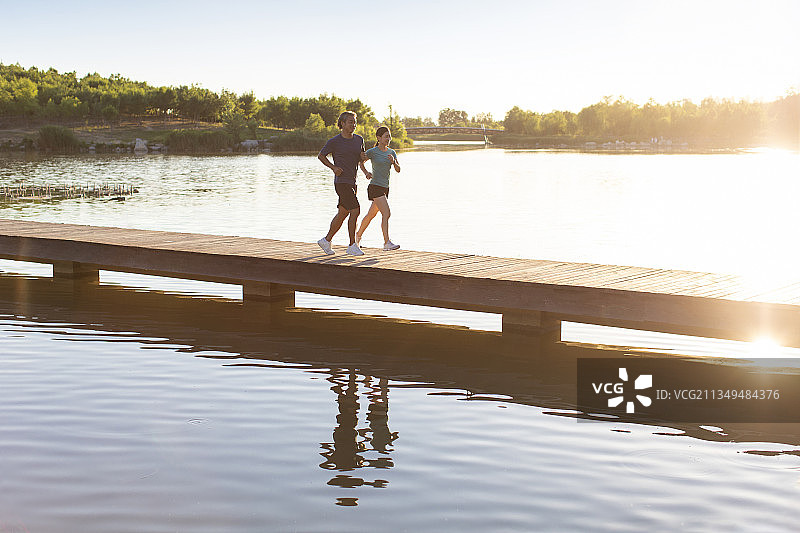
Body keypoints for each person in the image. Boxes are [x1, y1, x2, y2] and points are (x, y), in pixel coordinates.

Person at [317, 111, 368, 256]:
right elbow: (321, 156)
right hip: (341, 182)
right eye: (350, 122)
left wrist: (363, 157)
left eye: (354, 122)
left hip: (352, 181)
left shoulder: (359, 140)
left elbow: (361, 159)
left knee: (343, 213)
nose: (353, 124)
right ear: (343, 123)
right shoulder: (335, 141)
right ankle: (352, 245)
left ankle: (326, 240)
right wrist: (333, 168)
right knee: (355, 210)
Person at [356, 126, 401, 250]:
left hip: (385, 187)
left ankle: (357, 236)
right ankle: (387, 242)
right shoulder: (373, 152)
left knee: (371, 214)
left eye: (389, 137)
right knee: (386, 213)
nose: (388, 139)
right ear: (379, 138)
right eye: (386, 136)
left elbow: (398, 169)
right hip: (375, 187)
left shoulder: (392, 152)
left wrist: (394, 162)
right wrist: (366, 173)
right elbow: (361, 162)